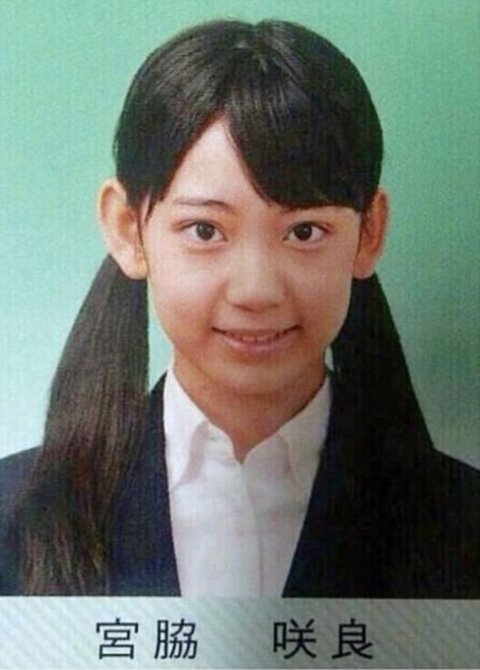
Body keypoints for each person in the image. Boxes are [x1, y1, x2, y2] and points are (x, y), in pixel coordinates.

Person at [0, 19, 478, 597]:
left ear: (369, 232)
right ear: (128, 229)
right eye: (205, 230)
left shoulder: (463, 525)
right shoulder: (13, 516)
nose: (255, 290)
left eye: (304, 231)